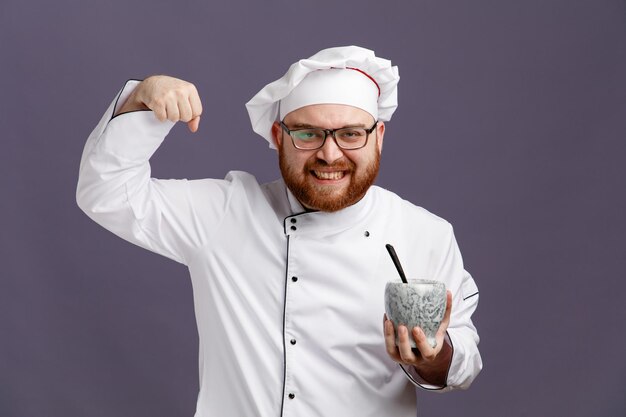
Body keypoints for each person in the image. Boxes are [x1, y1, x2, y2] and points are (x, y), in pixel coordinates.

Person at [76, 45, 482, 416]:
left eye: (350, 134)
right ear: (278, 137)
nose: (329, 153)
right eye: (307, 133)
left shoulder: (424, 233)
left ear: (378, 137)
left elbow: (463, 363)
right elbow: (106, 194)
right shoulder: (226, 213)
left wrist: (434, 358)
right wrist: (142, 101)